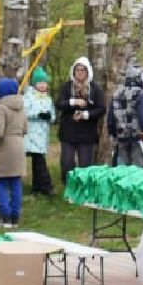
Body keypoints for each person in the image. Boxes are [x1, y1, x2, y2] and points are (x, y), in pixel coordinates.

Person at [56, 57, 105, 187]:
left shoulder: (94, 89)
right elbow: (59, 103)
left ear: (88, 71)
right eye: (77, 70)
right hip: (68, 132)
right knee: (67, 162)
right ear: (73, 71)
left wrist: (86, 114)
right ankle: (69, 186)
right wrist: (73, 102)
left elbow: (101, 108)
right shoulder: (67, 87)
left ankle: (84, 188)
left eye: (83, 70)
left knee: (85, 163)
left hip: (87, 133)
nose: (80, 73)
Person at [0, 77, 27, 227]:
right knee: (16, 182)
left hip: (5, 146)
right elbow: (25, 129)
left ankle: (5, 216)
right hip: (19, 144)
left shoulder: (2, 107)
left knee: (0, 182)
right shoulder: (22, 106)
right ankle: (15, 217)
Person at [108, 62, 143, 168]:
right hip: (137, 138)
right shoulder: (140, 94)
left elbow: (110, 118)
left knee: (122, 171)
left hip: (121, 138)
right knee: (136, 173)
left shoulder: (116, 93)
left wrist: (114, 133)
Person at [23, 68, 56, 197]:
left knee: (38, 160)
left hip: (43, 134)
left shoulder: (48, 98)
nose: (42, 85)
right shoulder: (28, 97)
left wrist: (49, 117)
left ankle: (36, 187)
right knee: (39, 161)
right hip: (32, 134)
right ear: (34, 84)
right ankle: (46, 186)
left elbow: (52, 115)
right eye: (39, 82)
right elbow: (25, 113)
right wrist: (38, 115)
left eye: (44, 82)